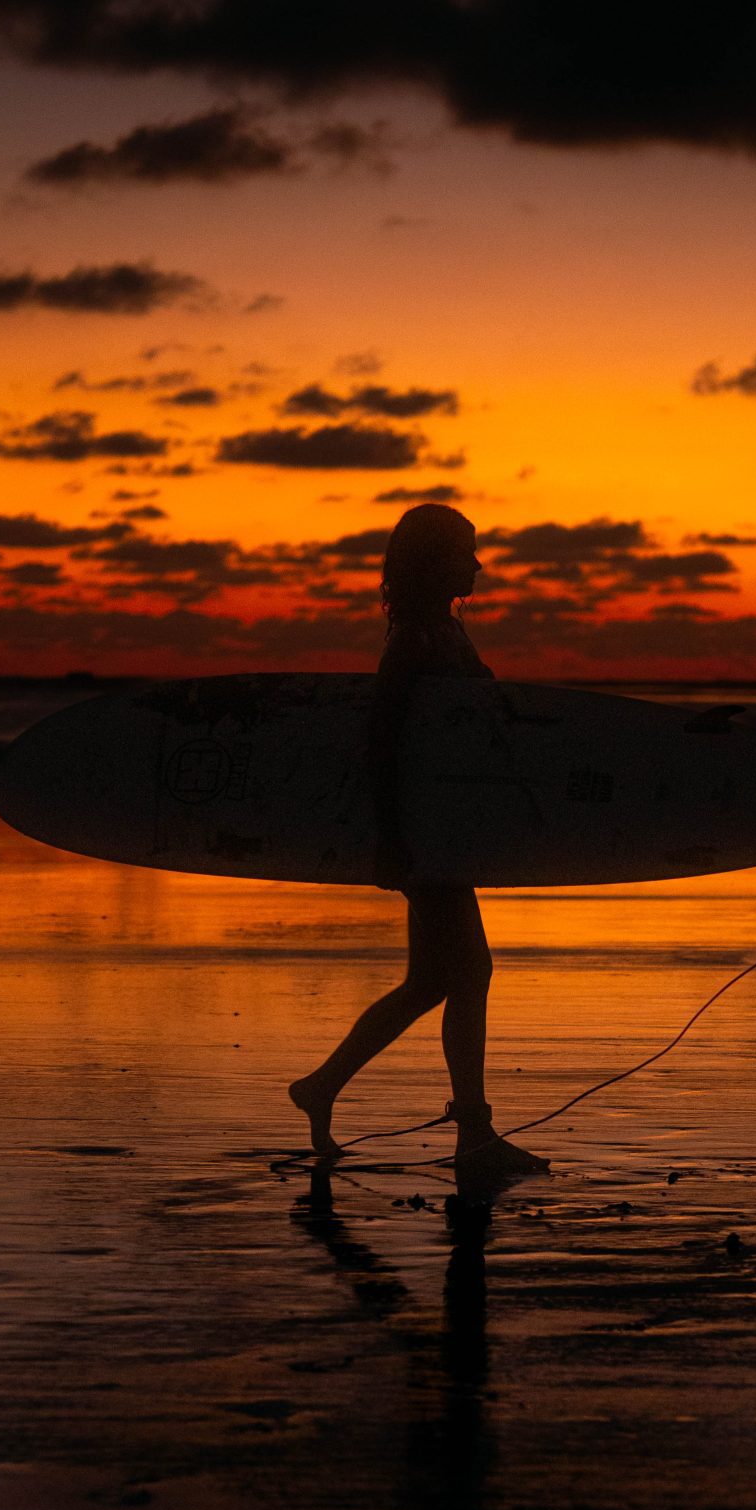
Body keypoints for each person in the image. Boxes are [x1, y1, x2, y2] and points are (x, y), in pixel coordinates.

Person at [290, 502, 549, 1194]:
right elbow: (381, 743)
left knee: (436, 980)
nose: (478, 564)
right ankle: (473, 1134)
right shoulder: (414, 639)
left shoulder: (444, 630)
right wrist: (393, 841)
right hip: (423, 835)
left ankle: (322, 1086)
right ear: (434, 562)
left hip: (441, 831)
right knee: (470, 972)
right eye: (466, 552)